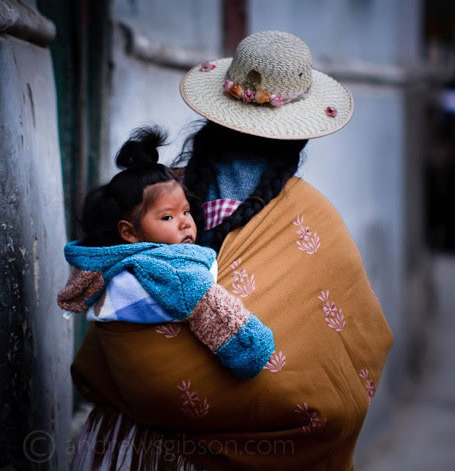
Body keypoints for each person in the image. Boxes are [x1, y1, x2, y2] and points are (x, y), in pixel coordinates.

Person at [68, 31, 393, 470]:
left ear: (214, 121)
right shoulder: (314, 220)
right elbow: (354, 359)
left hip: (130, 447)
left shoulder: (153, 197)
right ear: (297, 139)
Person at [57, 127, 275, 379]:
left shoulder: (105, 265)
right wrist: (253, 350)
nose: (185, 222)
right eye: (168, 216)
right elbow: (215, 312)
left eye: (186, 211)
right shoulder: (175, 271)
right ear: (128, 232)